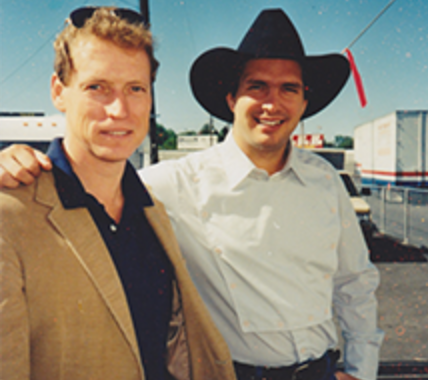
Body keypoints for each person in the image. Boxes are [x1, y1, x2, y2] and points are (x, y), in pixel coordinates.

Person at [0, 8, 383, 380]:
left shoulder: (327, 182)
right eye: (257, 86)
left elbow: (355, 284)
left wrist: (360, 371)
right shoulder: (171, 183)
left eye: (289, 89)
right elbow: (85, 181)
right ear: (232, 99)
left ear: (304, 102)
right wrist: (14, 160)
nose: (272, 103)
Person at [0, 6, 237, 380]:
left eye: (135, 89)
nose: (119, 110)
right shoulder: (9, 215)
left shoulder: (153, 210)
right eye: (97, 87)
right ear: (58, 92)